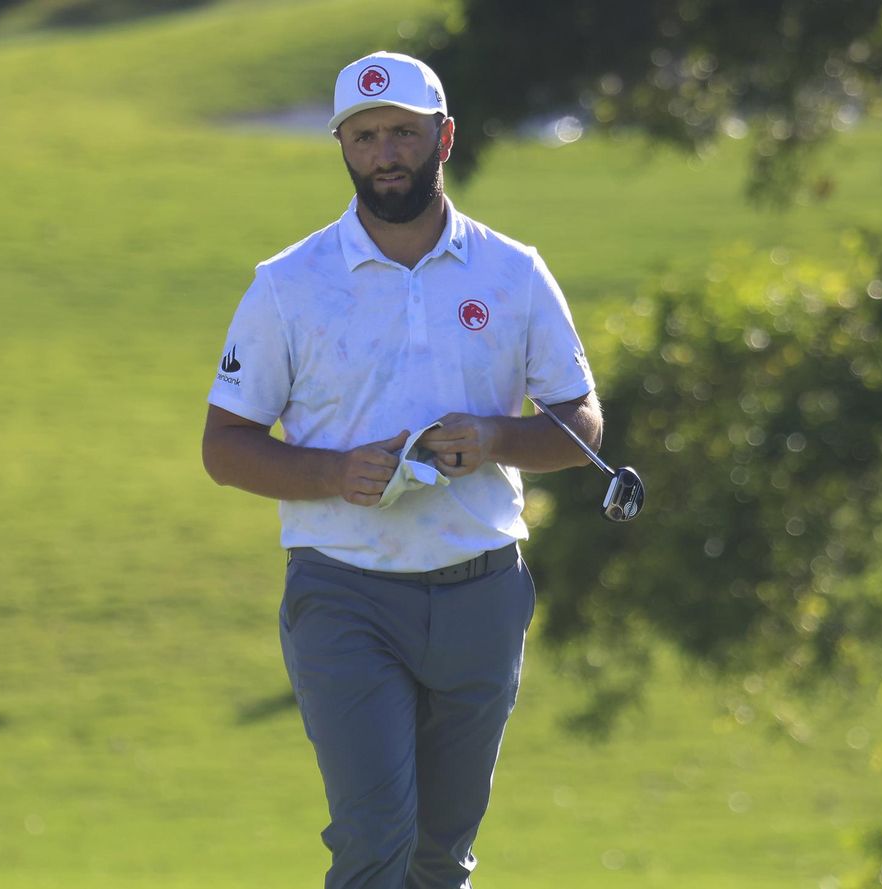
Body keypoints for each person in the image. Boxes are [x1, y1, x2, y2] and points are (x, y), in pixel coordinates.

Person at [201, 50, 603, 889]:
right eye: (365, 136)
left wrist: (494, 439)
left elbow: (582, 426)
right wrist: (332, 474)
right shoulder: (287, 285)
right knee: (374, 836)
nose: (384, 154)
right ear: (343, 147)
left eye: (403, 134)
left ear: (443, 138)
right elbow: (225, 445)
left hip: (481, 587)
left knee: (441, 853)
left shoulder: (513, 271)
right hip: (344, 590)